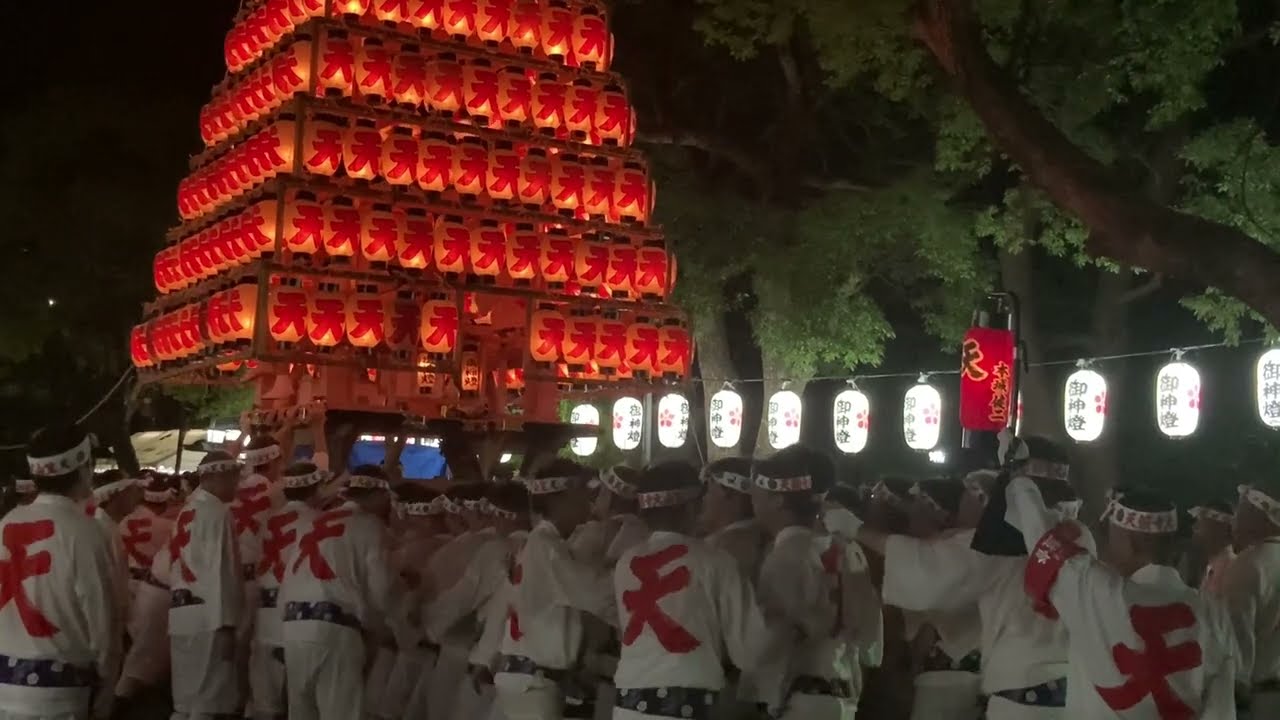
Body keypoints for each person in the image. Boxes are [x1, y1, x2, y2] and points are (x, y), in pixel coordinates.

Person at [835, 434, 1079, 720]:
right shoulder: (1078, 536)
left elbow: (929, 569)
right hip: (1067, 695)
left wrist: (854, 529)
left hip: (1020, 700)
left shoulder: (1000, 544)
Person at [1007, 481, 1239, 717]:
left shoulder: (1098, 592)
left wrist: (1019, 482)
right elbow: (1221, 709)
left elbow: (1043, 538)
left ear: (1128, 543)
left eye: (1111, 537)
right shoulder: (1214, 613)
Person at [610, 460, 768, 720]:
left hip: (627, 705)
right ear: (691, 506)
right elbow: (750, 651)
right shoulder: (716, 561)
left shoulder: (625, 562)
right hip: (687, 705)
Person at [0, 425, 120, 720]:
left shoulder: (5, 523)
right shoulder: (85, 530)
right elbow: (102, 622)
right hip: (59, 695)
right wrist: (106, 683)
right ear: (83, 470)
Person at [493, 460, 617, 720]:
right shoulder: (547, 547)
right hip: (534, 684)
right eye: (582, 494)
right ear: (560, 500)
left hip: (525, 678)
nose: (589, 502)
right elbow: (596, 595)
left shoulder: (537, 543)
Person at [749, 445, 861, 720]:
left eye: (756, 493)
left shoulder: (785, 557)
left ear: (777, 500)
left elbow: (780, 638)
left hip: (800, 698)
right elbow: (868, 638)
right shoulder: (848, 549)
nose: (752, 501)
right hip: (841, 693)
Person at [279, 465, 396, 720]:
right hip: (336, 628)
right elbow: (381, 589)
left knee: (300, 711)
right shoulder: (370, 526)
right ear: (378, 495)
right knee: (339, 711)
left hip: (294, 627)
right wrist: (384, 627)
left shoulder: (312, 523)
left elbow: (288, 578)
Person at [432, 483, 534, 720]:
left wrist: (424, 626)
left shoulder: (495, 548)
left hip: (482, 656)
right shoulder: (544, 549)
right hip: (526, 667)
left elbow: (462, 599)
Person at [249, 461, 330, 720]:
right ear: (315, 489)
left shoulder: (270, 520)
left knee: (265, 697)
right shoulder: (318, 522)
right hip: (297, 613)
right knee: (298, 699)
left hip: (264, 610)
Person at [168, 450, 246, 720]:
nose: (237, 485)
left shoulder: (187, 509)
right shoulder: (215, 512)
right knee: (209, 702)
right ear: (218, 477)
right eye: (234, 479)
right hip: (207, 616)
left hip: (181, 613)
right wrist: (225, 624)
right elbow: (219, 571)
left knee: (185, 701)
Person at [900, 480, 982, 720]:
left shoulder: (934, 555)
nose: (910, 514)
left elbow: (922, 633)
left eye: (917, 506)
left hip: (942, 682)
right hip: (979, 676)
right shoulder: (977, 549)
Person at [115, 475, 178, 700]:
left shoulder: (122, 521)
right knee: (143, 646)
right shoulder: (168, 526)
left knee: (122, 642)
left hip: (121, 584)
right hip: (148, 588)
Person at [1221, 482, 1280, 715]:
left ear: (1261, 515)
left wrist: (1236, 689)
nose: (1235, 519)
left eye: (1242, 510)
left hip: (1259, 697)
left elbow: (1237, 635)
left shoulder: (1249, 563)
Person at [1188, 502, 1235, 597]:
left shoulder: (1231, 571)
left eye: (1201, 522)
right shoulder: (1213, 567)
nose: (1194, 527)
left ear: (1221, 529)